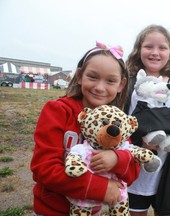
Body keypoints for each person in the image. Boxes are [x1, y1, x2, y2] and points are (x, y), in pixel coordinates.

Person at [30, 41, 140, 215]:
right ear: (80, 75)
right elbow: (43, 168)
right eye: (93, 77)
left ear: (121, 85)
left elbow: (133, 172)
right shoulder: (58, 111)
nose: (99, 87)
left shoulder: (117, 122)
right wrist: (100, 188)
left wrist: (117, 159)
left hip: (93, 210)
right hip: (52, 210)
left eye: (111, 81)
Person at [124, 24, 170, 216]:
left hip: (168, 169)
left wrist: (138, 121)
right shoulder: (126, 81)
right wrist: (142, 140)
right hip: (134, 167)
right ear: (139, 49)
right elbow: (118, 120)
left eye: (162, 47)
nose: (155, 52)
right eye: (149, 46)